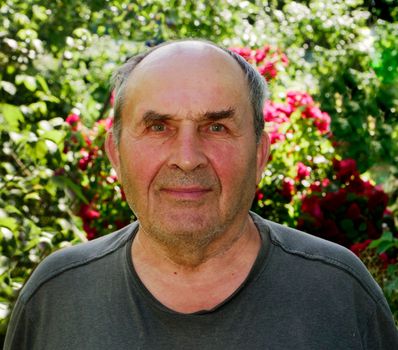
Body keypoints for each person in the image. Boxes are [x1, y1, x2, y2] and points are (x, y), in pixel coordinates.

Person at [4, 39, 398, 349]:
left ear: (260, 154)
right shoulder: (56, 297)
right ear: (115, 154)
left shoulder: (339, 294)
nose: (187, 159)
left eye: (216, 128)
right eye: (159, 127)